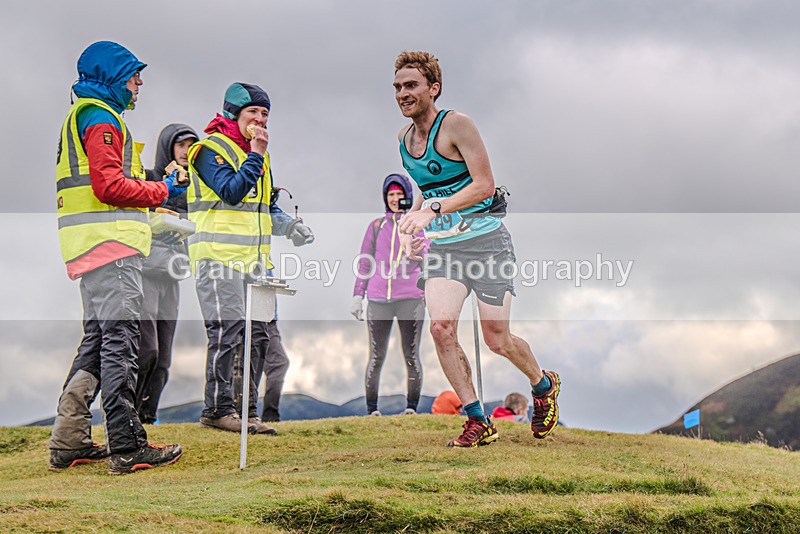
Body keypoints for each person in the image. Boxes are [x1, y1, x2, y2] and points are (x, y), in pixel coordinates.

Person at [393, 50, 561, 447]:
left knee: (496, 338)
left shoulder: (457, 125)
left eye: (411, 85)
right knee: (440, 328)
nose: (403, 93)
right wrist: (408, 225)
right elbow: (426, 187)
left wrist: (432, 210)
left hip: (487, 243)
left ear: (433, 88)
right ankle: (476, 420)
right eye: (398, 87)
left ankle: (542, 385)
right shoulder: (403, 141)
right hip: (445, 249)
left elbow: (484, 185)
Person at [51, 41, 184, 474]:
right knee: (120, 341)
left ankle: (69, 440)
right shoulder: (102, 118)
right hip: (112, 247)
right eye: (133, 75)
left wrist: (150, 193)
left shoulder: (83, 115)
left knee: (96, 341)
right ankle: (127, 445)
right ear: (112, 76)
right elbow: (109, 186)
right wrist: (164, 191)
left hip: (87, 245)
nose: (139, 83)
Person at [187, 82, 313, 434]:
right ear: (233, 114)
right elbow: (231, 192)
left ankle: (248, 413)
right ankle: (217, 409)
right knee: (227, 333)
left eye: (265, 114)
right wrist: (256, 154)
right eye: (253, 113)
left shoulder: (260, 155)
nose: (260, 120)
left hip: (257, 264)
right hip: (217, 258)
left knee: (259, 338)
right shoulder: (207, 150)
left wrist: (289, 227)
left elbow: (264, 207)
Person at [134, 123, 199, 424]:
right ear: (167, 147)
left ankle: (148, 417)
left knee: (163, 359)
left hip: (172, 274)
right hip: (145, 272)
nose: (186, 150)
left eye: (191, 144)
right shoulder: (148, 178)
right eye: (180, 144)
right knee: (146, 350)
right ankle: (127, 416)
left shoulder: (195, 187)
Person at [351, 174, 428, 416]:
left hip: (411, 298)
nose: (395, 199)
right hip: (377, 299)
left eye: (399, 194)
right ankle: (372, 409)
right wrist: (357, 295)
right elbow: (365, 262)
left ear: (407, 196)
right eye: (390, 195)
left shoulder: (418, 225)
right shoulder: (376, 226)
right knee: (376, 355)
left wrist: (430, 291)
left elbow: (428, 257)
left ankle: (411, 408)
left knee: (411, 354)